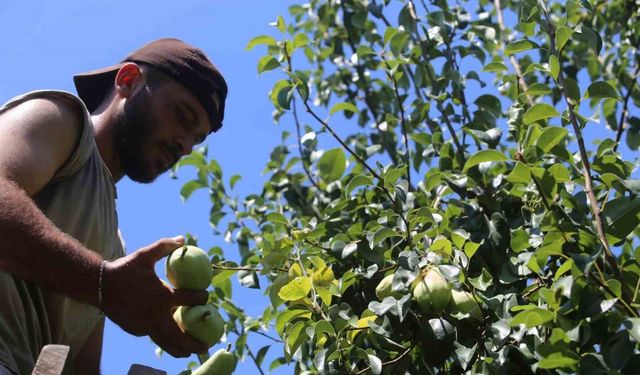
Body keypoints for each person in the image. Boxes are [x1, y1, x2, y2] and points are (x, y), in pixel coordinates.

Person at [0, 38, 228, 374]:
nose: (185, 145)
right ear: (128, 80)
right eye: (183, 116)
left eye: (196, 139)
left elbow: (77, 366)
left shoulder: (113, 245)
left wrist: (106, 285)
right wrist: (102, 283)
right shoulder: (61, 120)